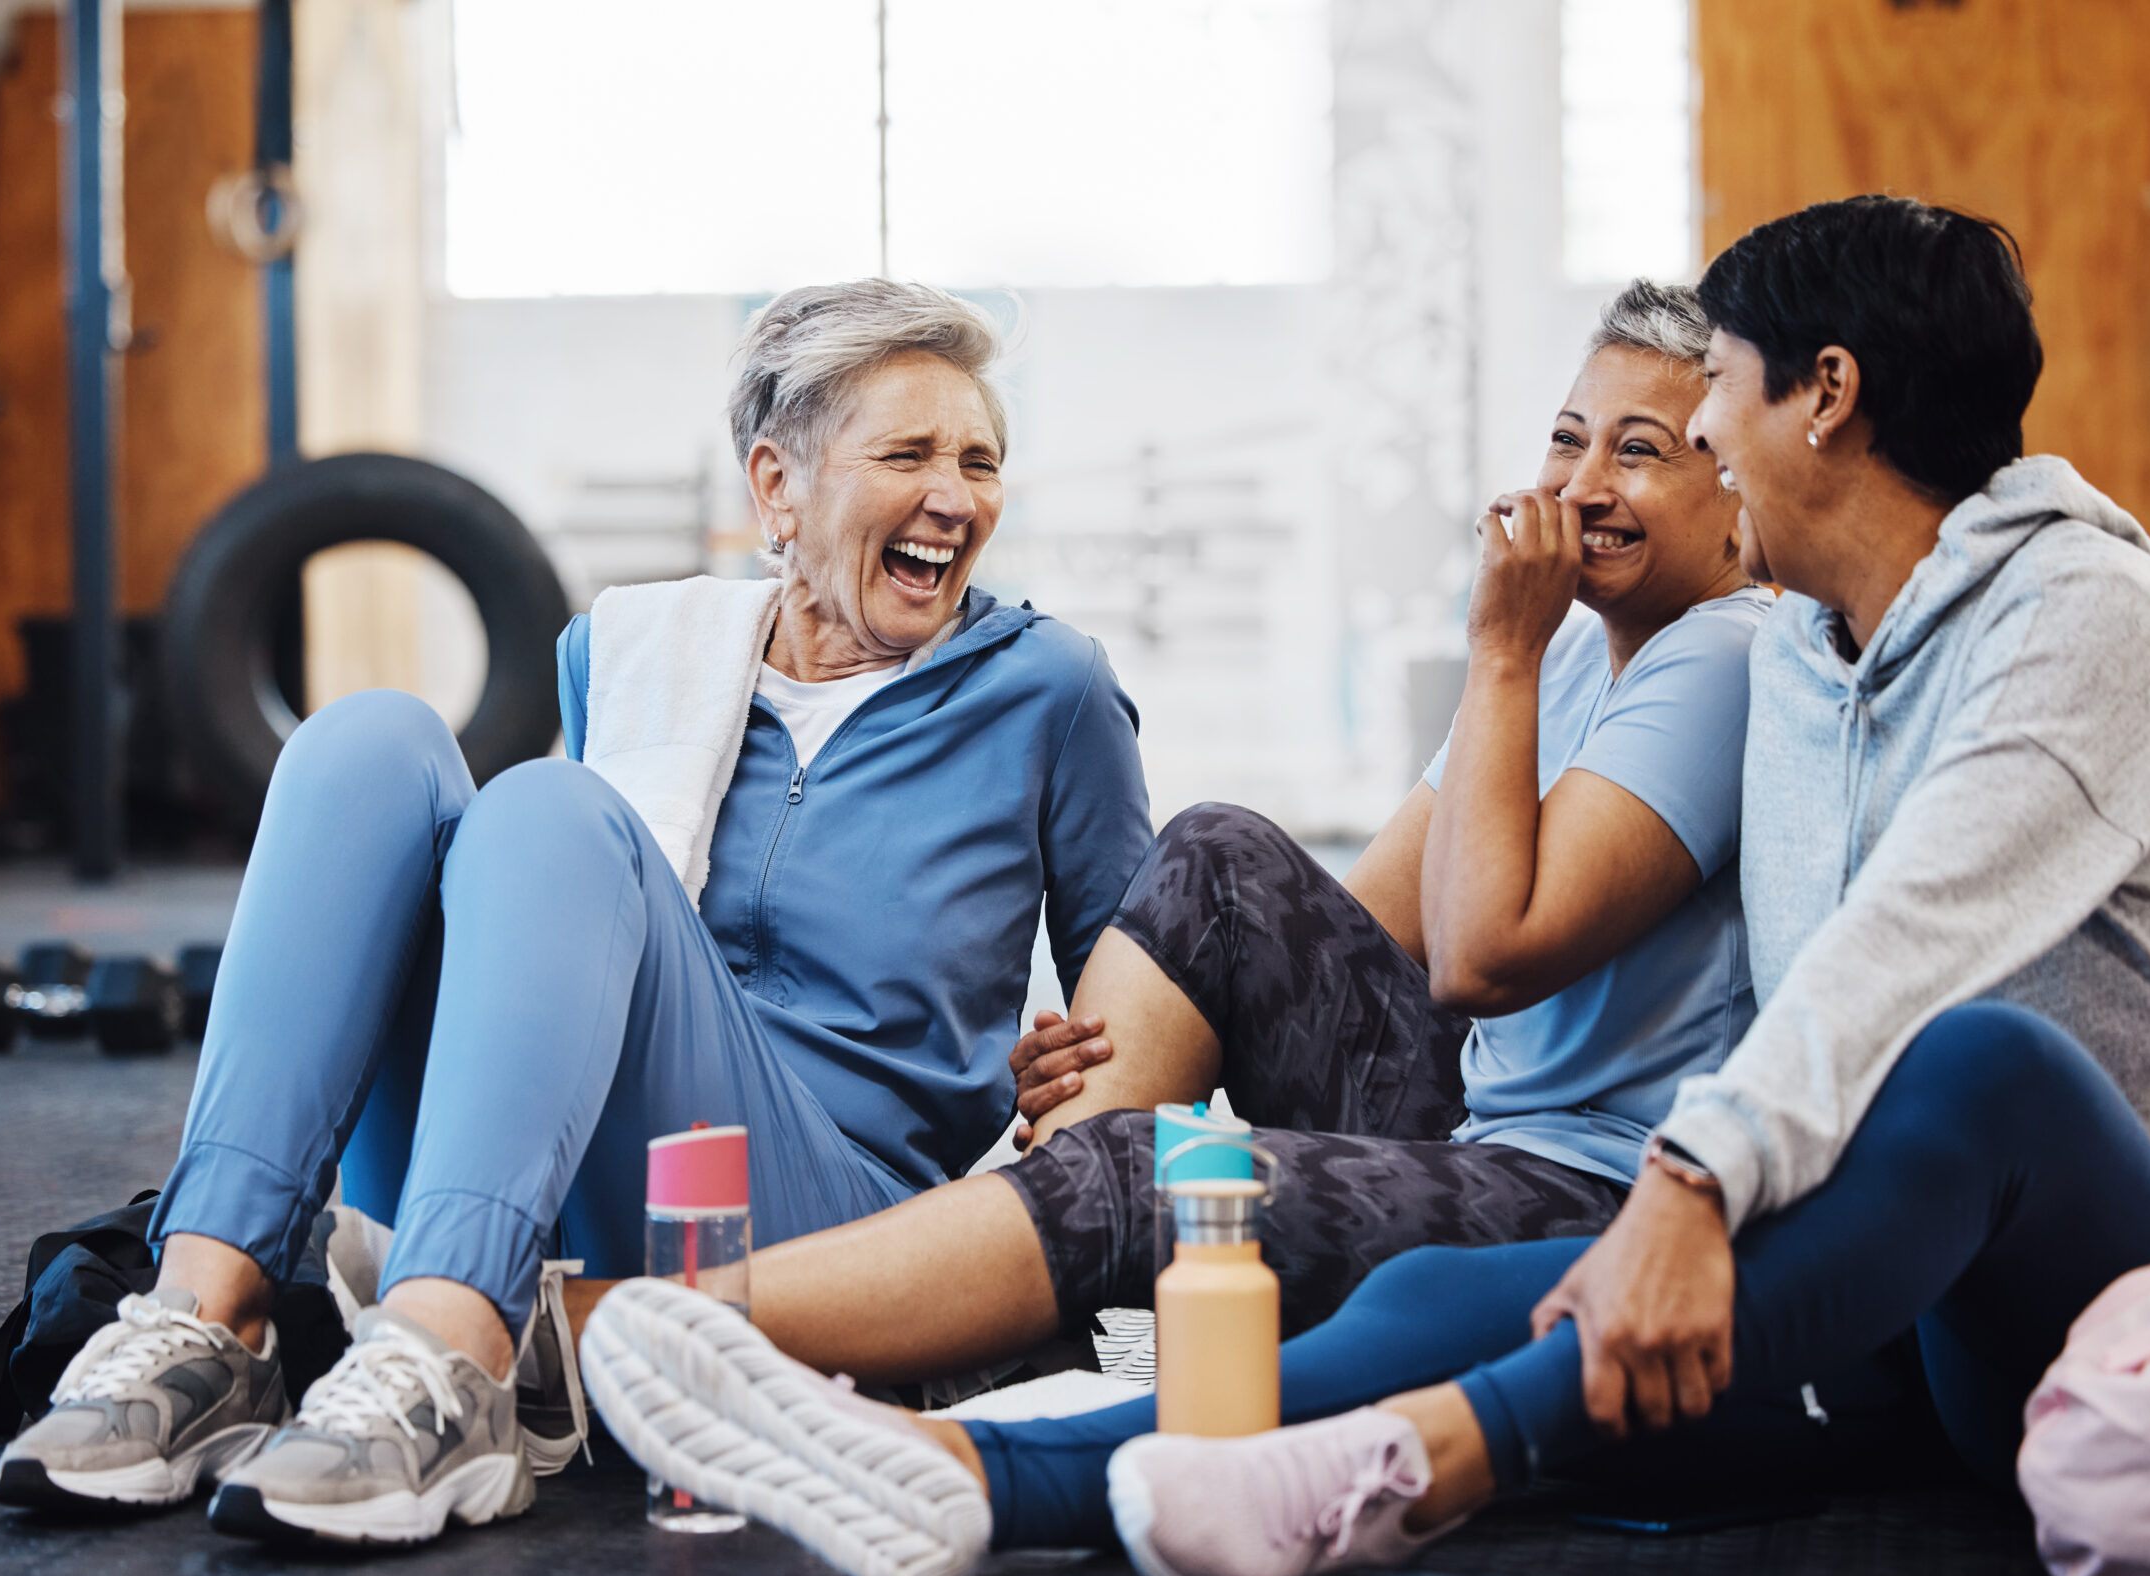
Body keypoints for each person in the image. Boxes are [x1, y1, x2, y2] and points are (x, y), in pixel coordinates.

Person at [581, 196, 2150, 1576]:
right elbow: (1380, 930)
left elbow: (1886, 964)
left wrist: (1684, 1189)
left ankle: (1374, 1448)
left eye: (1707, 400)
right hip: (1886, 1282)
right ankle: (972, 1461)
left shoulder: (2087, 623)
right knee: (1431, 1286)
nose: (1702, 441)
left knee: (1975, 1059)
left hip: (2121, 1273)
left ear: (1828, 398)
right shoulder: (1814, 644)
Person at [0, 280, 1154, 1546]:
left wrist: (1071, 1086)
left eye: (980, 460)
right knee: (367, 741)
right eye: (909, 454)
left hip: (835, 1221)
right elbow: (600, 955)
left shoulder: (1049, 690)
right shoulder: (628, 655)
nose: (956, 496)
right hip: (562, 1169)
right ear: (777, 487)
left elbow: (1148, 1014)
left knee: (548, 810)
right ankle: (208, 1322)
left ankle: (449, 1361)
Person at [666, 279, 1777, 1393]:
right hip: (1482, 1122)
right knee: (1218, 855)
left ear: (1734, 491)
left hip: (1598, 1188)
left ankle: (672, 1329)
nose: (1581, 487)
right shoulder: (1579, 653)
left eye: (1639, 453)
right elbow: (1369, 930)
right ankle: (1011, 1261)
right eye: (1567, 442)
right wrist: (1122, 1031)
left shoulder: (1718, 656)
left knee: (1145, 1181)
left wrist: (1496, 650)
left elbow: (1481, 954)